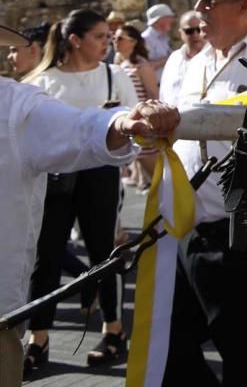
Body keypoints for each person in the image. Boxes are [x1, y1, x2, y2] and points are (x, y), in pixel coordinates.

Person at [0, 21, 180, 387]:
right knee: (49, 260)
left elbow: (78, 127)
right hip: (63, 185)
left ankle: (110, 328)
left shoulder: (13, 105)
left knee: (95, 253)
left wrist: (122, 123)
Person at [162, 0, 247, 385]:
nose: (198, 10)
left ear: (245, 5)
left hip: (239, 238)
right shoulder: (193, 62)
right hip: (187, 228)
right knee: (169, 351)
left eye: (210, 0)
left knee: (246, 362)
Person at [23, 9, 141, 371]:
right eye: (100, 36)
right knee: (46, 256)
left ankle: (114, 330)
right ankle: (38, 337)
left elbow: (133, 121)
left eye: (109, 36)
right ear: (75, 40)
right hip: (54, 179)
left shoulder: (113, 74)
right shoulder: (42, 81)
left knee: (103, 252)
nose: (109, 42)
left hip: (100, 175)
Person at [113, 24, 161, 190]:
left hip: (143, 124)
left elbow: (153, 95)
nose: (114, 41)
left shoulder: (142, 65)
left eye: (119, 38)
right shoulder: (119, 64)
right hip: (128, 123)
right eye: (114, 38)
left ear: (133, 42)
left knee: (159, 179)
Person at [159, 10, 205, 106]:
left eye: (199, 29)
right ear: (181, 33)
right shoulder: (174, 58)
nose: (195, 34)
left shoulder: (214, 57)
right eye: (189, 31)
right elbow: (163, 93)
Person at [142, 3, 175, 76]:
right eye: (168, 17)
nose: (172, 20)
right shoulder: (145, 39)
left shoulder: (165, 38)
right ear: (160, 19)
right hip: (155, 85)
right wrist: (168, 59)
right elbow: (146, 66)